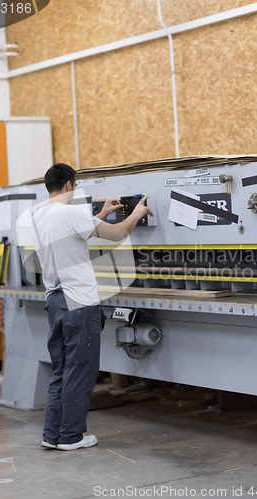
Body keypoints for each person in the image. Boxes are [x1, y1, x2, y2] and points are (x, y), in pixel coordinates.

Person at [31, 163, 153, 451]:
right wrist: (135, 214)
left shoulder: (39, 215)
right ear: (70, 184)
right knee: (81, 369)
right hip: (79, 302)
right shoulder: (71, 212)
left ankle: (53, 435)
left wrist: (100, 215)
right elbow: (118, 234)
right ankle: (72, 437)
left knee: (61, 368)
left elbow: (72, 234)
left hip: (56, 302)